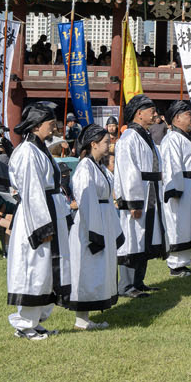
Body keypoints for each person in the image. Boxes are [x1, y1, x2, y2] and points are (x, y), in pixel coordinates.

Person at [5, 100, 72, 340]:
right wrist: (42, 228)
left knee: (46, 270)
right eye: (50, 123)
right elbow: (32, 191)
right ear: (35, 126)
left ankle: (36, 321)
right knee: (33, 268)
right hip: (36, 216)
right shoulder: (27, 152)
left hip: (49, 209)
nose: (54, 127)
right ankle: (24, 324)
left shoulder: (39, 149)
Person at [61, 124, 119, 330]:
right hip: (89, 223)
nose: (109, 145)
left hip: (102, 219)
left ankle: (85, 317)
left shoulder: (98, 166)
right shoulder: (85, 168)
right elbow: (86, 202)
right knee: (86, 268)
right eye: (106, 142)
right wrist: (94, 232)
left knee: (97, 268)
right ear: (93, 144)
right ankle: (82, 319)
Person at [112, 96, 164, 298]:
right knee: (132, 239)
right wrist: (133, 202)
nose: (155, 114)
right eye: (151, 110)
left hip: (150, 191)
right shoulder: (129, 138)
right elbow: (128, 172)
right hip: (137, 195)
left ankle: (138, 281)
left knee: (145, 238)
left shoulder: (145, 136)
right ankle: (126, 286)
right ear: (139, 113)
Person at [156, 101, 191, 278]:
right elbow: (171, 166)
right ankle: (176, 266)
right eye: (188, 114)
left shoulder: (187, 137)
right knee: (179, 225)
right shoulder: (172, 139)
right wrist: (174, 190)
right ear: (177, 118)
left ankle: (185, 263)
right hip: (182, 189)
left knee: (189, 225)